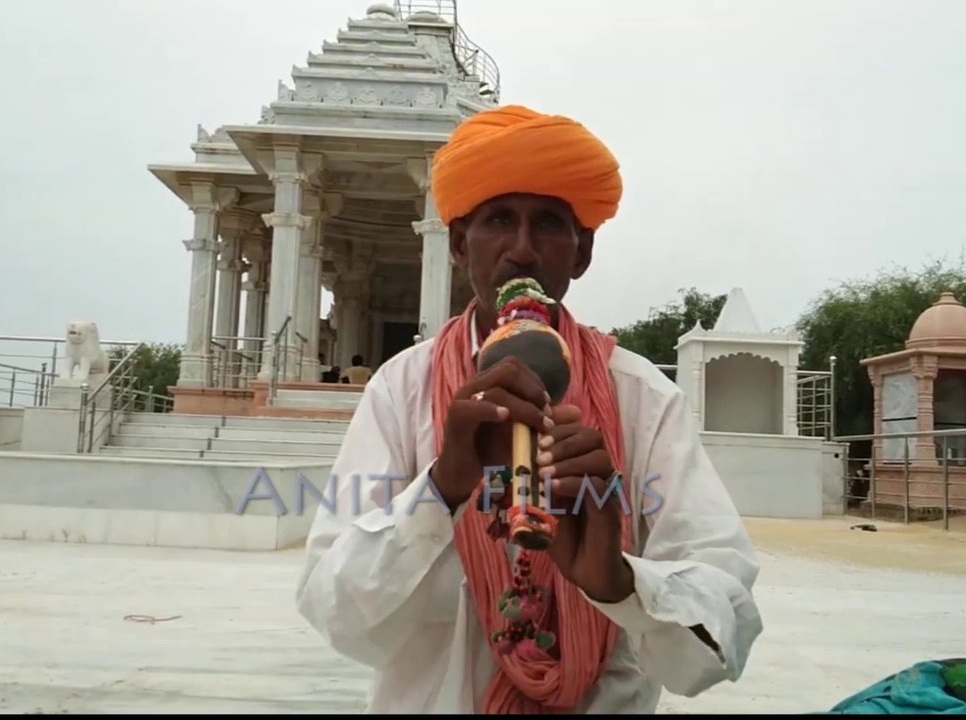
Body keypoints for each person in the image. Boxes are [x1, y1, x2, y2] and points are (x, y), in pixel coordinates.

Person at [295, 105, 762, 714]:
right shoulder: (401, 388)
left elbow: (726, 617)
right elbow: (333, 608)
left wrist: (619, 583)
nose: (521, 249)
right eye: (497, 221)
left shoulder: (639, 394)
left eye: (547, 224)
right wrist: (443, 486)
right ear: (461, 245)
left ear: (581, 253)